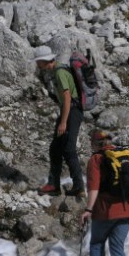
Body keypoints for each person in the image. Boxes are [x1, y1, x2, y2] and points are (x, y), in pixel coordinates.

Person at [33, 45, 85, 197]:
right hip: (69, 111)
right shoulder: (57, 70)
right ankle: (54, 184)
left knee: (68, 149)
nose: (37, 65)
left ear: (44, 60)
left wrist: (63, 122)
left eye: (38, 62)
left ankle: (79, 186)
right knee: (55, 148)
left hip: (72, 112)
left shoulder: (60, 72)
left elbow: (67, 98)